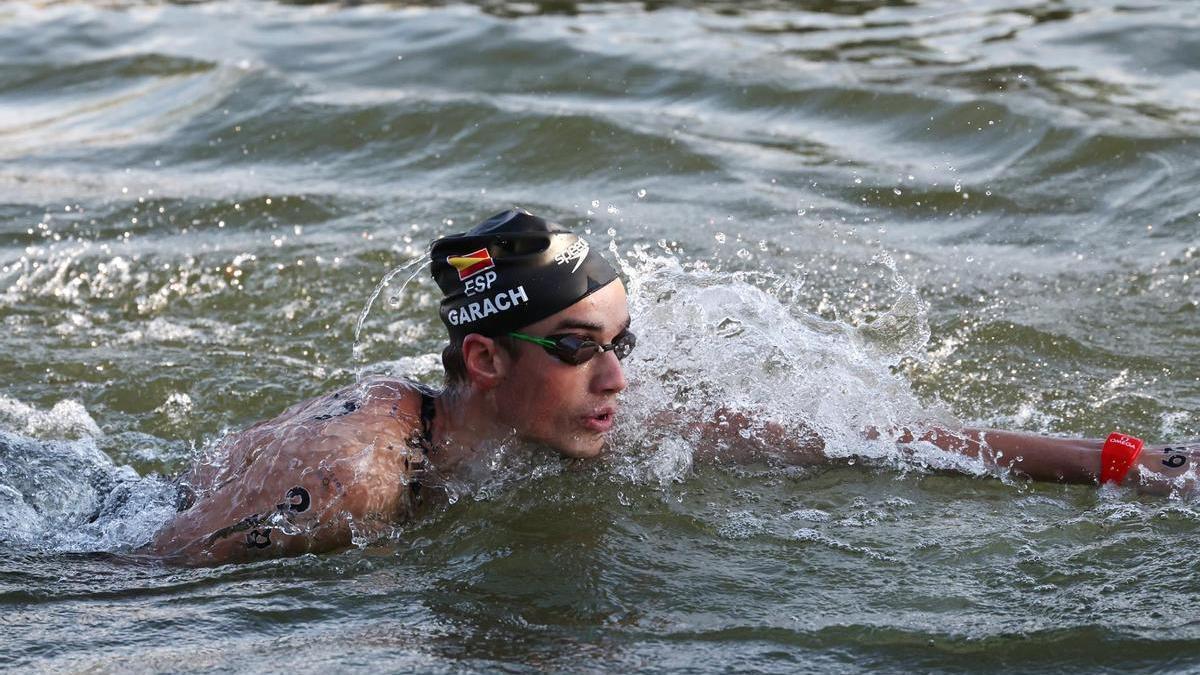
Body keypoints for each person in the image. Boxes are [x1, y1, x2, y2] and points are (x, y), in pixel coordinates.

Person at [148, 209, 1197, 566]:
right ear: (483, 361)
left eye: (622, 340)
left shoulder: (595, 409)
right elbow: (134, 584)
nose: (616, 376)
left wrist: (1129, 464)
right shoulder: (351, 479)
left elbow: (867, 438)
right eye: (575, 348)